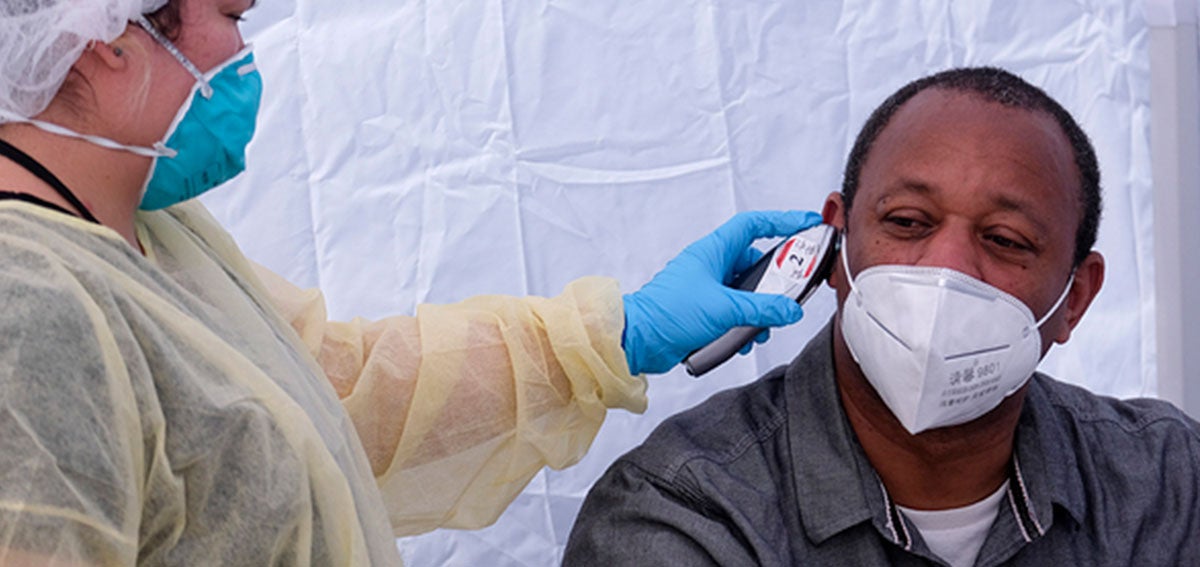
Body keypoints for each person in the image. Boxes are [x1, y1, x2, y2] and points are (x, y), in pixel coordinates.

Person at [0, 0, 822, 564]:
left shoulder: (151, 237)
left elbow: (337, 404)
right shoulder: (28, 308)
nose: (243, 58)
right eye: (230, 18)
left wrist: (612, 334)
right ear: (108, 34)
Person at [564, 67, 1200, 566]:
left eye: (1005, 239)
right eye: (906, 223)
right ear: (836, 248)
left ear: (1076, 298)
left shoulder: (1168, 484)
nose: (945, 268)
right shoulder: (684, 510)